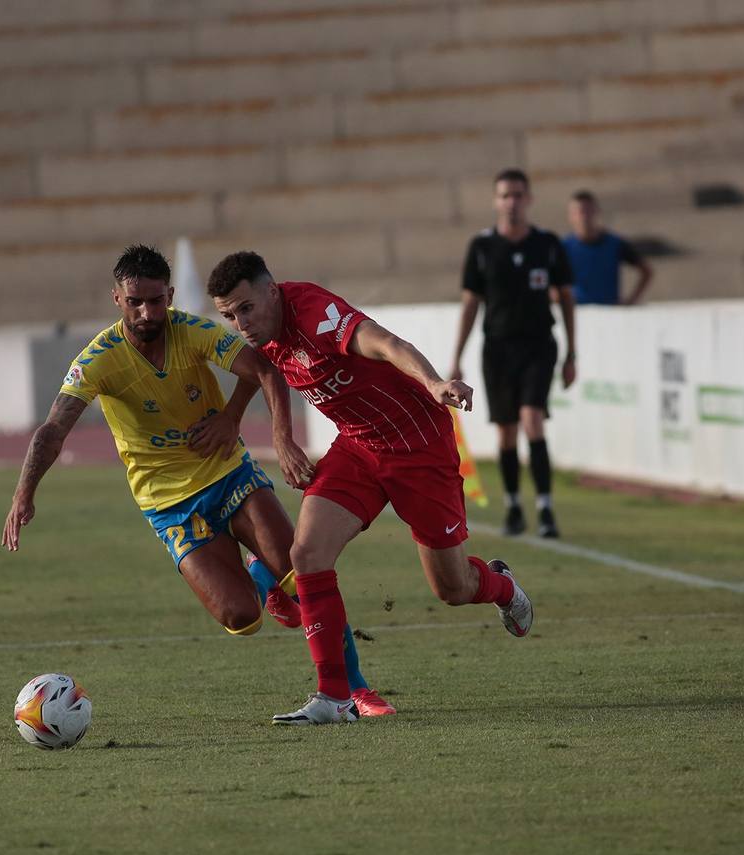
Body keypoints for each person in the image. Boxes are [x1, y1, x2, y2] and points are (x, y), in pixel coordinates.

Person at [1, 244, 395, 717]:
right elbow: (53, 428)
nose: (148, 313)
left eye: (156, 300)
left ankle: (355, 691)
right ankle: (258, 576)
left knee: (302, 575)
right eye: (135, 302)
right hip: (168, 504)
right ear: (117, 300)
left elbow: (262, 369)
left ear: (169, 294)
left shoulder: (192, 332)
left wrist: (238, 422)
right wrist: (25, 492)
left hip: (228, 473)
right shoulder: (99, 359)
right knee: (241, 617)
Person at [208, 251, 535, 726]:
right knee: (307, 555)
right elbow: (266, 372)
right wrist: (282, 438)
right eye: (229, 315)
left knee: (452, 587)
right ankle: (334, 697)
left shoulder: (316, 315)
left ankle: (502, 587)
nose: (240, 323)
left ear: (271, 291)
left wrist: (433, 381)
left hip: (419, 448)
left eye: (245, 308)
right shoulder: (265, 334)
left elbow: (385, 343)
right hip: (359, 449)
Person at [450, 168, 576, 540]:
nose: (512, 202)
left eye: (518, 195)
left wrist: (572, 354)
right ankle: (514, 505)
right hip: (498, 350)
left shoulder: (548, 244)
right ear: (496, 201)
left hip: (539, 345)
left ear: (529, 199)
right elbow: (471, 303)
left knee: (532, 418)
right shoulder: (483, 247)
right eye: (505, 195)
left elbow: (566, 299)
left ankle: (546, 508)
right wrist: (457, 355)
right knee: (506, 433)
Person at [563, 189, 652, 307]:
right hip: (579, 311)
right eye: (580, 211)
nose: (584, 216)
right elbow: (549, 277)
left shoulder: (615, 244)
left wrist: (631, 300)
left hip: (609, 312)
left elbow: (646, 271)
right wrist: (559, 298)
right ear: (571, 215)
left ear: (597, 211)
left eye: (588, 210)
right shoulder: (564, 246)